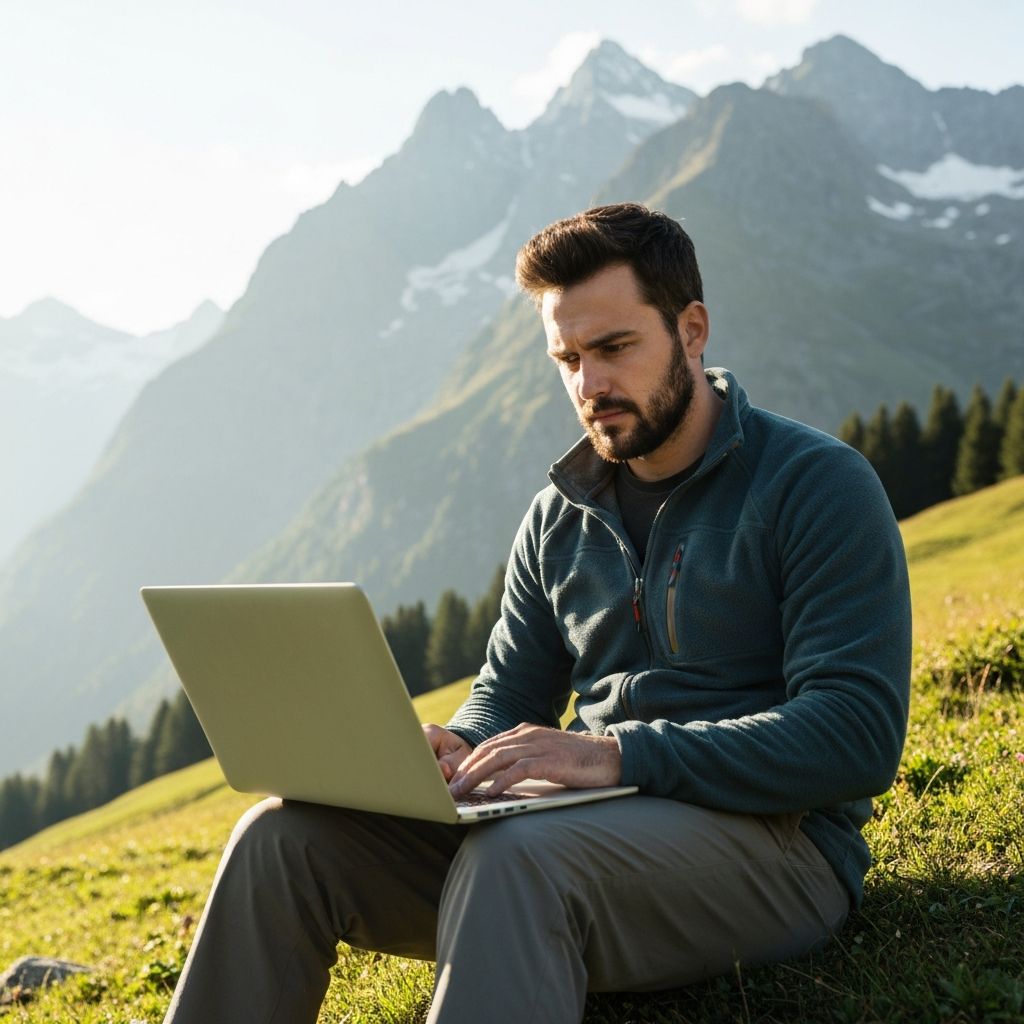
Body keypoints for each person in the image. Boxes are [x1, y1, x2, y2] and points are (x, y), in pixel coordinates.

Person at [163, 203, 911, 1024]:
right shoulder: (558, 518)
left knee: (518, 856)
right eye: (568, 358)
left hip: (777, 847)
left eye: (615, 348)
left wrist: (618, 755)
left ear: (691, 331)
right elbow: (509, 693)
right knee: (279, 839)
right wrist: (459, 747)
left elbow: (856, 734)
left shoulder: (814, 485)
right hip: (582, 836)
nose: (590, 385)